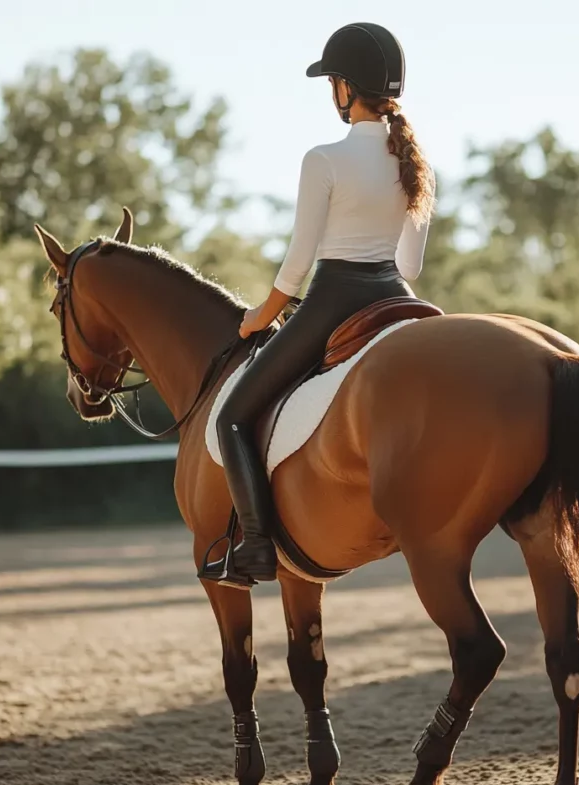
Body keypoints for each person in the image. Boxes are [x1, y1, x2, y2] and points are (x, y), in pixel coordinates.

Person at [203, 22, 436, 588]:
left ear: (344, 89)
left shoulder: (323, 158)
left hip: (333, 302)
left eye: (332, 81)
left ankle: (256, 547)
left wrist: (260, 315)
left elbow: (298, 262)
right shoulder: (419, 164)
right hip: (399, 300)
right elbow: (411, 267)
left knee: (233, 415)